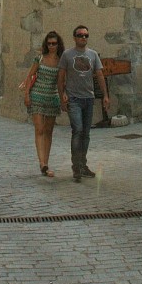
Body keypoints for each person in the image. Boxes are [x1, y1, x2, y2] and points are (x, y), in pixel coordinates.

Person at [57, 26, 109, 182]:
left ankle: (83, 165)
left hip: (88, 98)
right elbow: (60, 77)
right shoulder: (67, 55)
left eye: (86, 35)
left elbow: (100, 75)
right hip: (73, 99)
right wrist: (62, 96)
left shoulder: (93, 55)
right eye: (80, 35)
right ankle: (76, 166)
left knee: (86, 133)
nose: (83, 38)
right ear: (74, 37)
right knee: (78, 130)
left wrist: (105, 95)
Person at [23, 30, 64, 177]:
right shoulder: (39, 58)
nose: (52, 46)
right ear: (46, 45)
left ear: (58, 45)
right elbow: (30, 76)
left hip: (52, 98)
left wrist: (63, 98)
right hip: (37, 96)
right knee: (39, 129)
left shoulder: (61, 61)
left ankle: (46, 161)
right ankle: (43, 164)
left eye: (54, 43)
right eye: (49, 43)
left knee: (48, 131)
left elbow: (61, 83)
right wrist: (27, 94)